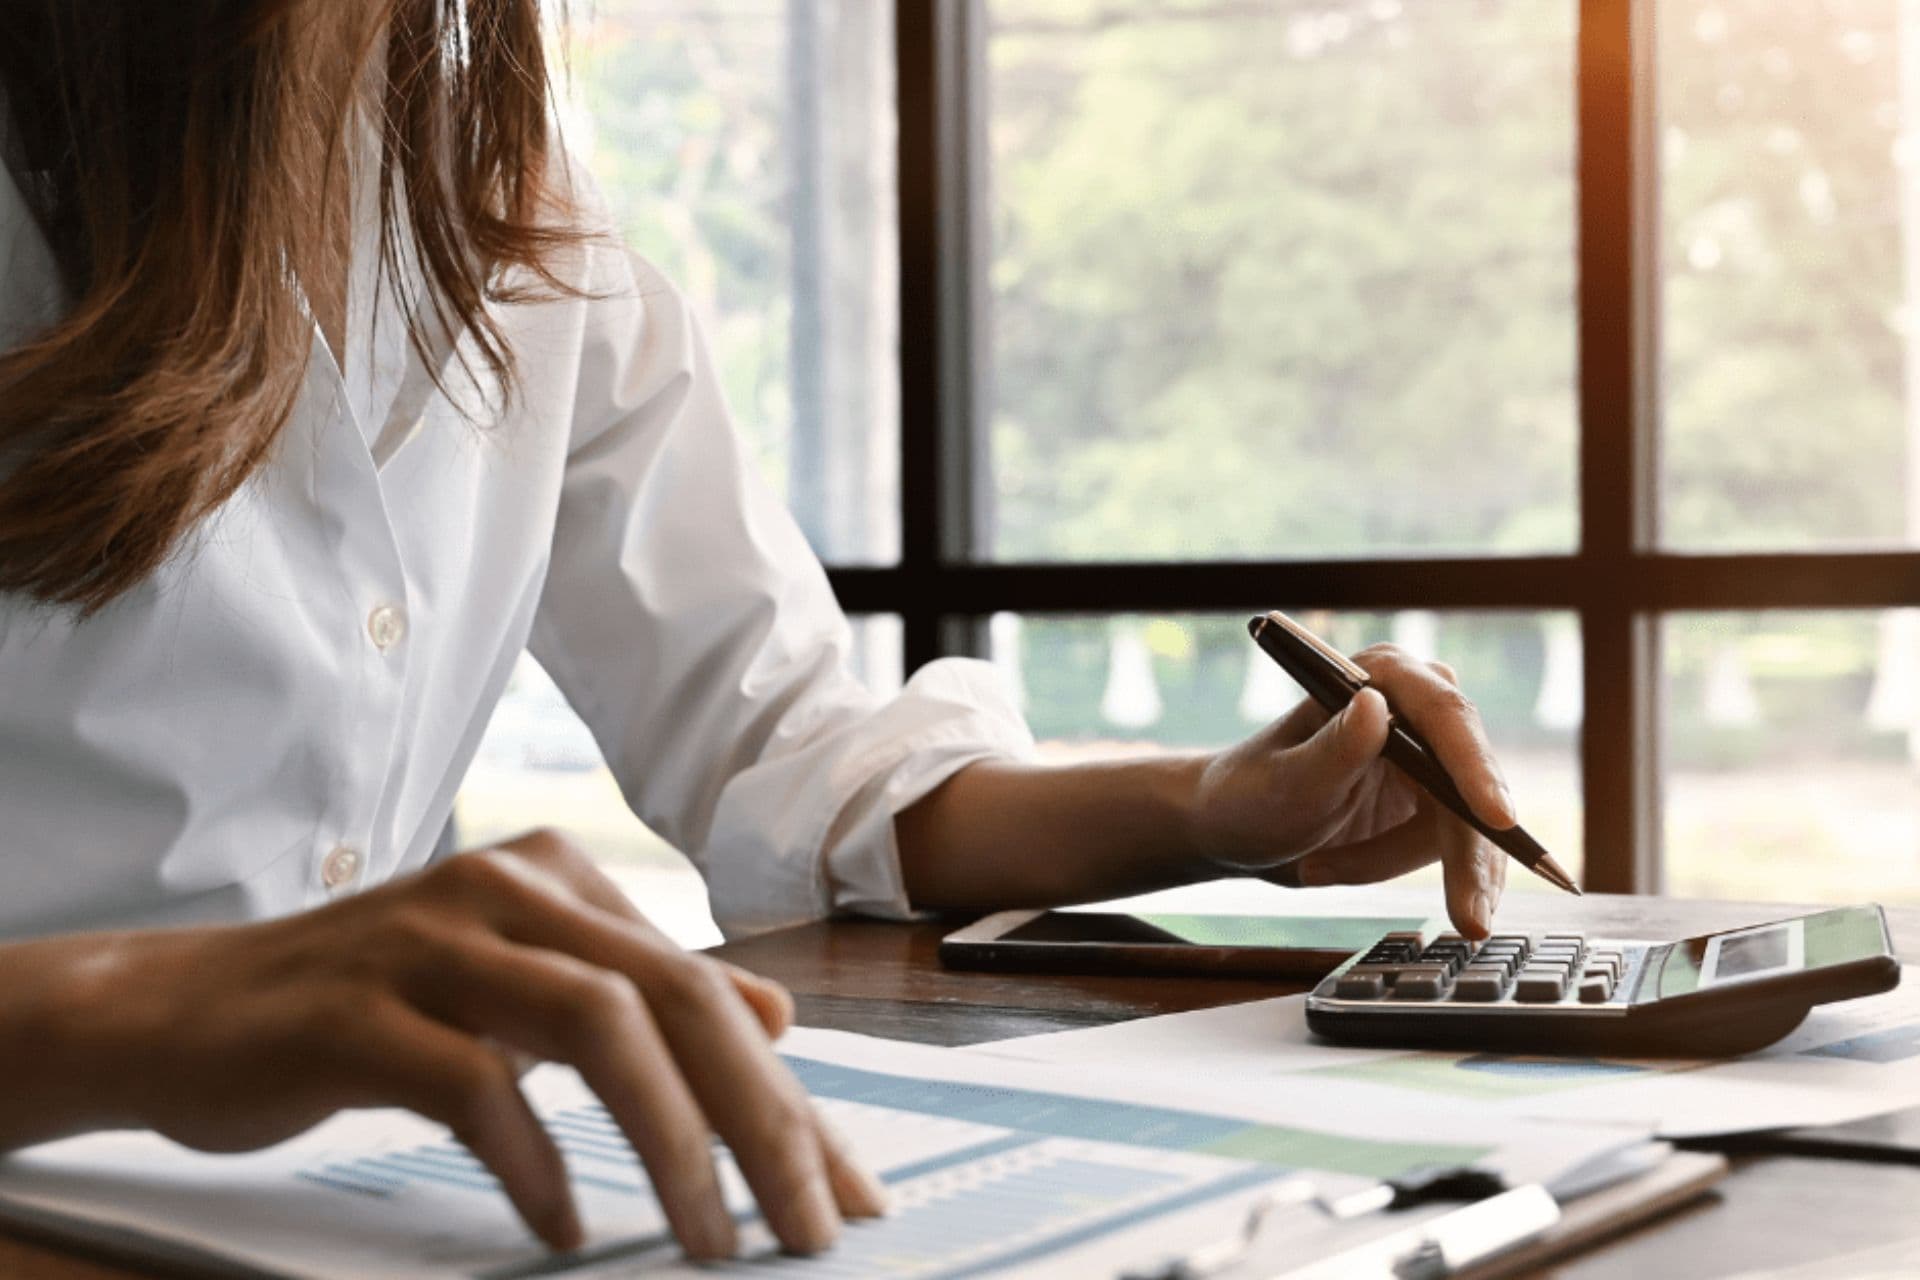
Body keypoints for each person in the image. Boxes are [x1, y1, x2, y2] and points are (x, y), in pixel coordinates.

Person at [0, 1, 1516, 1263]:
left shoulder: (501, 202)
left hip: (348, 1211)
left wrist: (1216, 807)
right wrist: (145, 1012)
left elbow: (785, 751)